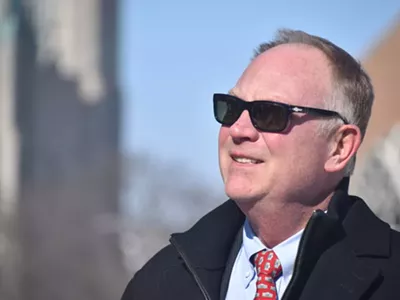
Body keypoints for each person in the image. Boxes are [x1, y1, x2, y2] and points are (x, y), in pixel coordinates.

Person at [121, 29, 400, 300]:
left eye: (269, 114)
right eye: (231, 108)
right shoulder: (158, 284)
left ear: (339, 147)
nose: (239, 129)